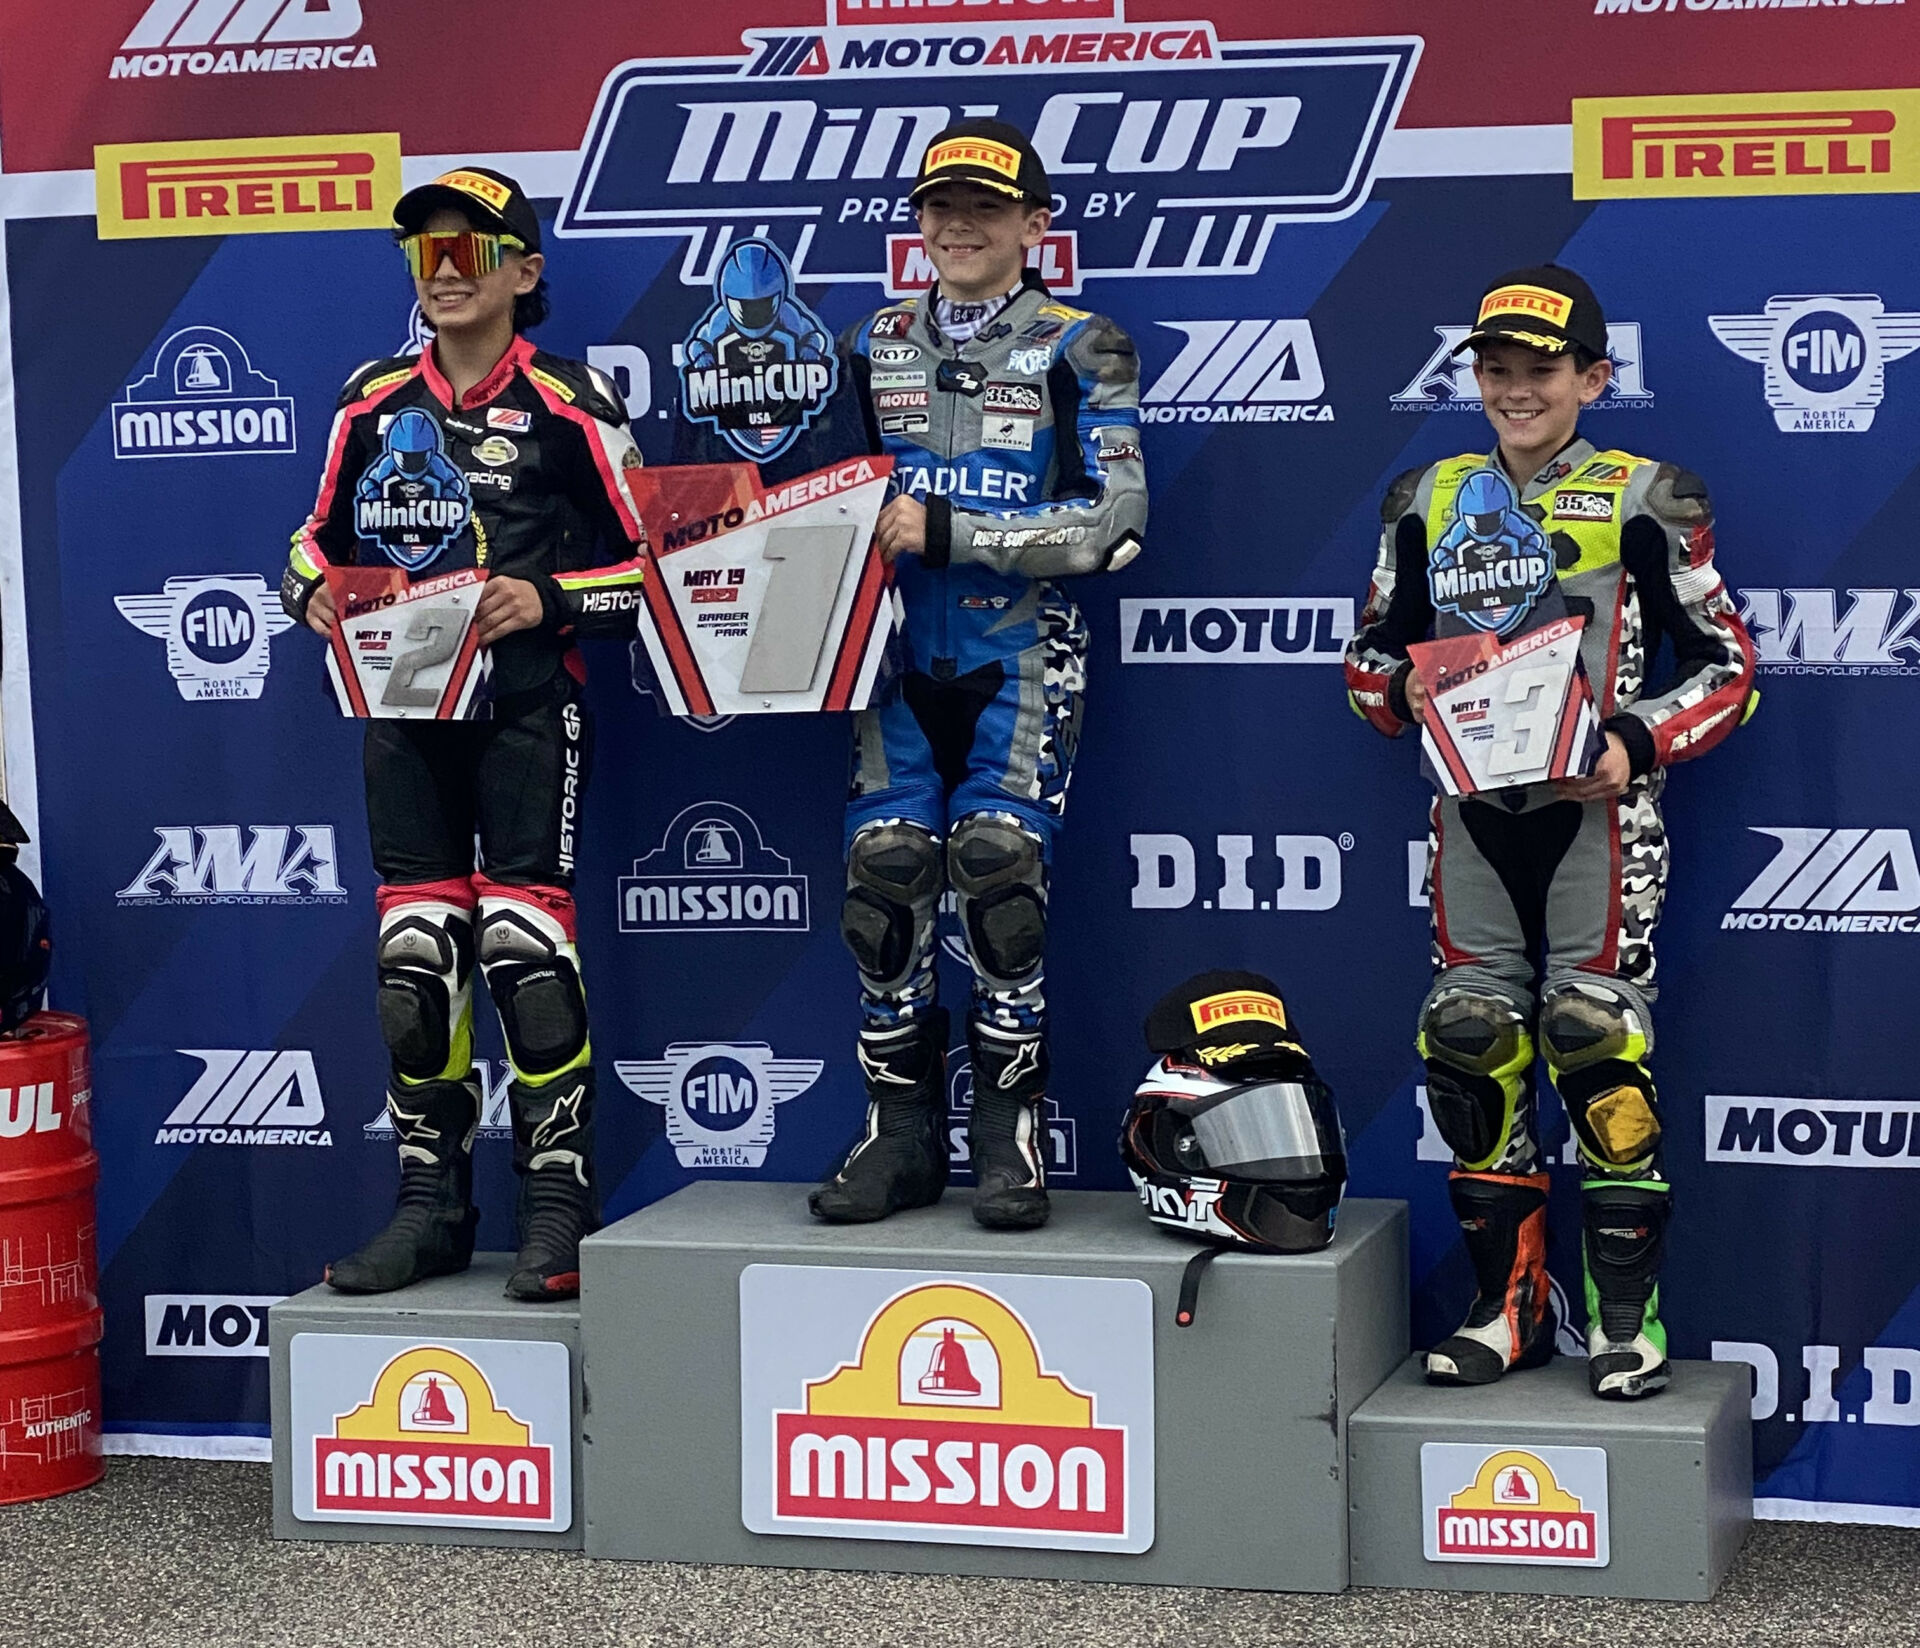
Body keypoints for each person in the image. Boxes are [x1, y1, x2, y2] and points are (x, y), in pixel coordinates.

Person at [1344, 265, 1756, 1399]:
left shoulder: (1646, 494)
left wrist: (1633, 739)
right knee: (1472, 1044)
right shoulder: (1426, 496)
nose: (1516, 390)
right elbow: (1368, 659)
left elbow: (1730, 669)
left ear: (1593, 376)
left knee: (1595, 1039)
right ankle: (1510, 1309)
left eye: (1542, 369)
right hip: (1471, 816)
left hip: (1598, 820)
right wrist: (1403, 694)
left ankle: (1627, 1322)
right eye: (1497, 369)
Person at [281, 167, 646, 1300]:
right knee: (414, 964)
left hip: (530, 709)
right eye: (424, 254)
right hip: (399, 711)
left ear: (523, 273)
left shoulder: (572, 402)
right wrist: (313, 595)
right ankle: (431, 1205)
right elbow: (303, 543)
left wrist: (550, 596)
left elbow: (659, 569)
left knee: (526, 957)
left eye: (468, 252)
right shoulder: (372, 398)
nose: (443, 273)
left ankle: (558, 1204)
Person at [809, 119, 1148, 1231]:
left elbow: (1117, 523)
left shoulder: (1081, 344)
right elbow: (826, 500)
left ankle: (1011, 1147)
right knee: (887, 877)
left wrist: (952, 529)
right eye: (940, 208)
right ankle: (898, 1140)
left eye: (985, 209)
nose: (958, 226)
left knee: (1002, 884)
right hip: (889, 658)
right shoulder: (872, 341)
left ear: (1034, 225)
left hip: (1018, 653)